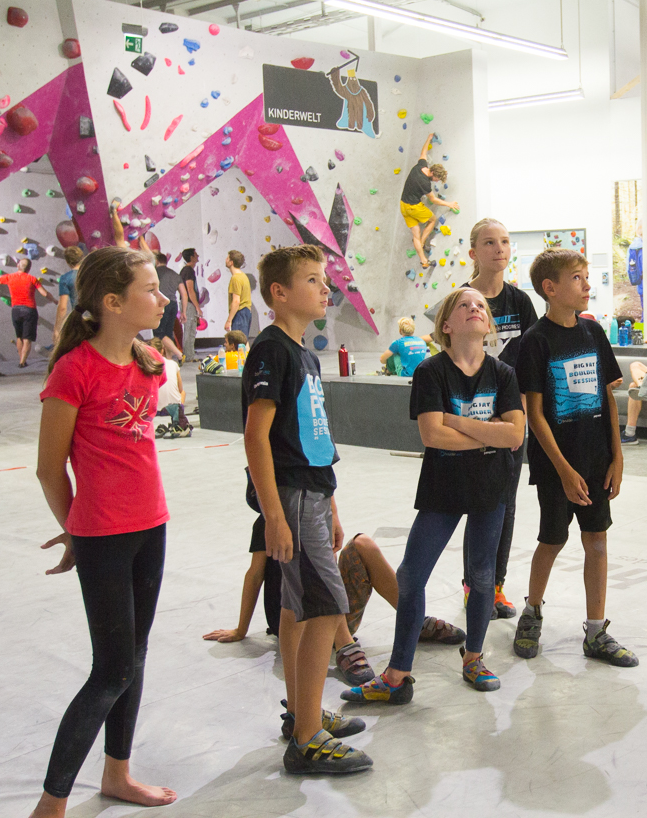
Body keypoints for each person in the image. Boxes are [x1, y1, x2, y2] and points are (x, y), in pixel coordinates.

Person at [30, 247, 178, 818]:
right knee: (112, 667)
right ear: (112, 302)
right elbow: (50, 467)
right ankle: (52, 802)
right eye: (150, 288)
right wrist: (76, 531)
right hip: (105, 537)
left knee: (133, 658)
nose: (162, 296)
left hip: (152, 525)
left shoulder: (146, 360)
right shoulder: (74, 370)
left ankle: (117, 773)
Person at [343, 288, 525, 703]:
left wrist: (458, 423)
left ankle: (474, 657)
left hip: (490, 488)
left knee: (481, 577)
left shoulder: (504, 374)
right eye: (465, 305)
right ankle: (397, 675)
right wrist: (488, 435)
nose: (475, 308)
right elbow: (431, 435)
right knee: (411, 575)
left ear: (489, 325)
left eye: (481, 305)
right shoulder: (430, 371)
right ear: (447, 325)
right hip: (442, 489)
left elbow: (516, 434)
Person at [241, 244, 372, 775]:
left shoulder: (304, 353)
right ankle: (309, 739)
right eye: (314, 281)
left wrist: (332, 504)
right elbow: (256, 437)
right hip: (291, 497)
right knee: (326, 606)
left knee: (298, 607)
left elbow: (315, 440)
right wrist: (273, 514)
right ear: (279, 292)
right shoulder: (271, 350)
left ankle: (303, 711)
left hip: (314, 492)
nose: (326, 289)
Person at [510, 249, 637, 667]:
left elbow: (608, 397)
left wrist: (617, 457)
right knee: (553, 538)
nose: (587, 285)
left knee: (597, 540)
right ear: (551, 288)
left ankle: (597, 630)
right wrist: (563, 470)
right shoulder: (535, 341)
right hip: (555, 465)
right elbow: (535, 413)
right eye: (578, 278)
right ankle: (531, 612)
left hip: (597, 459)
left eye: (587, 278)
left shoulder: (593, 332)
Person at [205, 528, 466, 686]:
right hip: (300, 618)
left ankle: (413, 621)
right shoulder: (273, 517)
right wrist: (241, 629)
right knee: (318, 563)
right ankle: (344, 645)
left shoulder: (314, 507)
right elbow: (255, 573)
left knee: (362, 544)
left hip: (330, 610)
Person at [460, 217, 539, 618]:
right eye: (489, 243)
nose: (500, 249)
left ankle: (496, 586)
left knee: (505, 504)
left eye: (505, 241)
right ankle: (473, 584)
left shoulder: (520, 302)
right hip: (471, 418)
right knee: (477, 502)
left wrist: (523, 410)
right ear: (474, 252)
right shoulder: (463, 300)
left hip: (510, 420)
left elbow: (530, 359)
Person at [400, 133, 459, 268]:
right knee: (432, 220)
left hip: (403, 205)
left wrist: (428, 139)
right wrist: (449, 204)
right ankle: (421, 244)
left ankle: (423, 261)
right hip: (414, 207)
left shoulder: (421, 165)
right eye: (437, 179)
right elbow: (433, 199)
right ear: (433, 173)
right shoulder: (425, 183)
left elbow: (423, 152)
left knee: (415, 234)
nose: (436, 181)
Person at [0, 257, 54, 367]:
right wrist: (55, 300)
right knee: (27, 339)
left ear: (18, 266)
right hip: (29, 310)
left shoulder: (10, 277)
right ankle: (22, 362)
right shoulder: (32, 279)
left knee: (19, 337)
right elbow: (44, 294)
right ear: (29, 268)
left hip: (16, 310)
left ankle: (21, 359)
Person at [147, 338, 191, 439]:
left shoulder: (146, 366)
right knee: (182, 392)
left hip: (154, 411)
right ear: (162, 350)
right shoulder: (173, 364)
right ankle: (179, 413)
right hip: (173, 409)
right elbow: (181, 390)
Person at [151, 253, 183, 361]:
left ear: (156, 261)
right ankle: (169, 359)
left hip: (160, 304)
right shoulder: (174, 274)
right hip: (173, 304)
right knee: (168, 332)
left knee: (159, 333)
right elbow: (183, 293)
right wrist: (184, 311)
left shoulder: (154, 273)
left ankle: (178, 354)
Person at [54, 247, 83, 345]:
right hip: (97, 317)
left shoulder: (65, 278)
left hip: (80, 319)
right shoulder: (91, 274)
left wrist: (57, 329)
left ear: (67, 261)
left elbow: (62, 307)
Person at [224, 250, 253, 337]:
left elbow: (236, 301)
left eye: (227, 258)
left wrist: (229, 320)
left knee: (239, 343)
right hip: (245, 312)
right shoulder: (243, 276)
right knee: (244, 342)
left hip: (240, 313)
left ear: (231, 262)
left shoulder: (236, 278)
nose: (225, 260)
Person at [179, 249, 200, 363]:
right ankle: (188, 357)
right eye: (196, 254)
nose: (198, 256)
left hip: (188, 304)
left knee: (191, 329)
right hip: (189, 304)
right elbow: (190, 290)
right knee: (189, 329)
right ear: (191, 257)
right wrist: (197, 307)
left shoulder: (187, 270)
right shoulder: (188, 271)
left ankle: (189, 355)